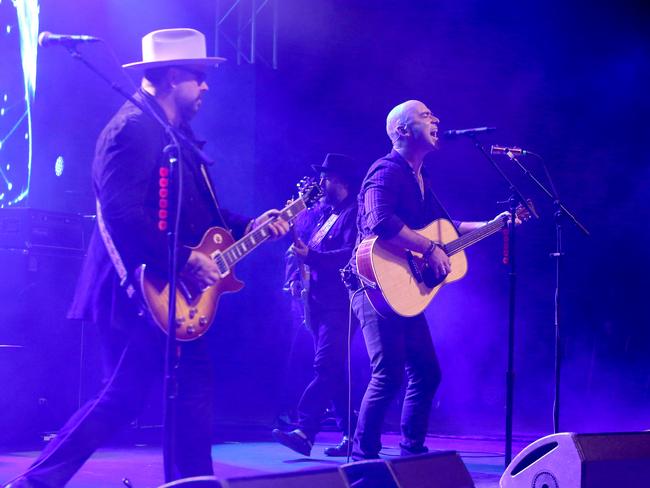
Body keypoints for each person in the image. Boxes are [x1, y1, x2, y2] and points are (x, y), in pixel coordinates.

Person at [3, 28, 289, 487]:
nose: (206, 86)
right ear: (173, 76)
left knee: (181, 393)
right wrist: (181, 260)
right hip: (135, 290)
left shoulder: (174, 137)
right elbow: (120, 216)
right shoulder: (131, 129)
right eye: (199, 76)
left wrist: (248, 227)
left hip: (165, 289)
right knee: (126, 396)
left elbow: (199, 214)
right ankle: (33, 483)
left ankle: (188, 483)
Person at [346, 100, 512, 460]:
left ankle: (411, 453)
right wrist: (430, 248)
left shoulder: (419, 178)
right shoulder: (386, 170)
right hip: (373, 286)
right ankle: (364, 457)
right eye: (425, 115)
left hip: (401, 289)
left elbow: (446, 230)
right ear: (402, 131)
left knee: (425, 372)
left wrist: (493, 225)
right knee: (388, 373)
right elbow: (379, 221)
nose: (436, 118)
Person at [272, 154, 362, 457]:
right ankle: (353, 435)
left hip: (342, 303)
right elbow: (299, 248)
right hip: (317, 302)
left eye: (325, 178)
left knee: (326, 364)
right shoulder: (324, 214)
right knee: (334, 368)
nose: (320, 184)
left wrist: (311, 256)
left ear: (340, 180)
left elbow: (348, 254)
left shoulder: (355, 213)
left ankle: (305, 430)